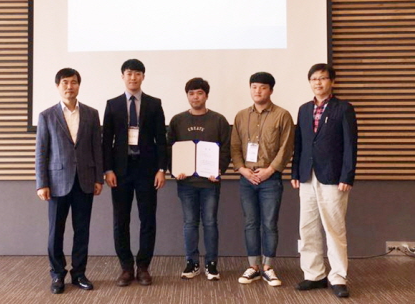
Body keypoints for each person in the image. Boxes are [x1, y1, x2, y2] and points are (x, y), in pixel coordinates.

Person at [291, 63, 358, 299]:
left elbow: (350, 144)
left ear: (332, 82)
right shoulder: (304, 109)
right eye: (314, 79)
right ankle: (314, 275)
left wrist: (347, 175)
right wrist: (295, 172)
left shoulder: (344, 108)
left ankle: (338, 277)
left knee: (334, 228)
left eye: (322, 78)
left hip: (333, 177)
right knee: (307, 228)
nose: (318, 82)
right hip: (306, 175)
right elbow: (299, 143)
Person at [35, 68, 103, 294]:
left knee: (82, 230)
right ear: (58, 86)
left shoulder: (91, 114)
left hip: (85, 180)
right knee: (56, 231)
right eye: (65, 82)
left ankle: (79, 273)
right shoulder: (46, 116)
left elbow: (96, 148)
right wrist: (42, 183)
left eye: (73, 82)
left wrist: (98, 178)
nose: (69, 86)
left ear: (79, 85)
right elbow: (41, 152)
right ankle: (57, 274)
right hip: (56, 183)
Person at [103, 59, 167, 287]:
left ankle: (143, 267)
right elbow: (106, 141)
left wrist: (161, 169)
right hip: (120, 171)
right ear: (122, 76)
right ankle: (126, 267)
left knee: (147, 219)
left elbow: (161, 140)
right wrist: (108, 169)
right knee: (120, 220)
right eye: (129, 73)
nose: (133, 77)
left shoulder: (154, 104)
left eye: (137, 73)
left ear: (143, 77)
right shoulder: (112, 105)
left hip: (147, 170)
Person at [231, 72, 294, 287]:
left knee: (269, 223)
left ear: (271, 90)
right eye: (254, 87)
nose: (257, 91)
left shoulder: (282, 115)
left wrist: (269, 170)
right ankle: (253, 267)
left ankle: (268, 267)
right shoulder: (241, 116)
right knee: (250, 223)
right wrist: (242, 170)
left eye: (263, 87)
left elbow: (286, 148)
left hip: (270, 179)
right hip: (246, 179)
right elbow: (235, 146)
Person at [168, 78, 231, 281]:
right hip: (186, 183)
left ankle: (211, 264)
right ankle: (192, 263)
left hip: (210, 183)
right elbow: (169, 149)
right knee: (190, 223)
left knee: (210, 222)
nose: (195, 97)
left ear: (206, 95)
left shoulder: (218, 120)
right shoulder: (177, 120)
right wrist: (175, 170)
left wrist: (219, 169)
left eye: (199, 93)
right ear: (187, 96)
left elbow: (226, 148)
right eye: (191, 93)